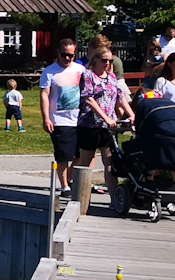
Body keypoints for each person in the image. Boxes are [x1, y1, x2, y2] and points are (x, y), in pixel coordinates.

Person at [75, 48, 133, 192]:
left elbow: (120, 97)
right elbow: (89, 99)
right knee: (85, 162)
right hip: (89, 125)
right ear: (95, 59)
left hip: (108, 127)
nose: (107, 63)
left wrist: (131, 114)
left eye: (110, 61)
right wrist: (105, 117)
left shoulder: (111, 77)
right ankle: (79, 195)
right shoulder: (88, 75)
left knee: (110, 162)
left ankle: (114, 198)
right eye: (104, 60)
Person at [41, 39, 83, 190]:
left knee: (80, 155)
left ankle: (70, 178)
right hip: (59, 120)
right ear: (58, 53)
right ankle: (64, 186)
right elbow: (44, 95)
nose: (67, 58)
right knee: (63, 155)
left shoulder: (80, 70)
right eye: (64, 55)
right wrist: (46, 118)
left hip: (79, 119)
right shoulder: (49, 72)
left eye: (70, 55)